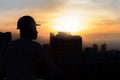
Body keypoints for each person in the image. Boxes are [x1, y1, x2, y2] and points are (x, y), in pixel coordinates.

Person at [6, 15, 64, 80]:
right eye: (34, 28)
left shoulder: (11, 45)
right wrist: (61, 75)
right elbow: (50, 65)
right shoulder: (35, 46)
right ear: (29, 29)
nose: (37, 31)